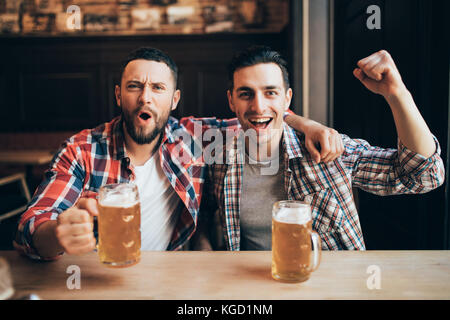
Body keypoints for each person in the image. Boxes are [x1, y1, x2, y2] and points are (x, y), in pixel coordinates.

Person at [14, 47, 343, 260]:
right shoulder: (83, 148)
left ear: (174, 100)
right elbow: (30, 226)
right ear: (118, 94)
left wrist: (307, 124)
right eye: (134, 86)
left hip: (168, 281)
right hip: (95, 283)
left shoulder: (193, 137)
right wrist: (56, 233)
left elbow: (260, 115)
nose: (145, 98)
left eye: (158, 88)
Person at [204, 46, 445, 251]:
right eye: (246, 94)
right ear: (231, 101)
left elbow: (422, 176)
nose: (258, 106)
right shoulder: (219, 159)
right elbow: (203, 212)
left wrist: (397, 93)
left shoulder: (327, 149)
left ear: (287, 99)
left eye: (270, 93)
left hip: (333, 289)